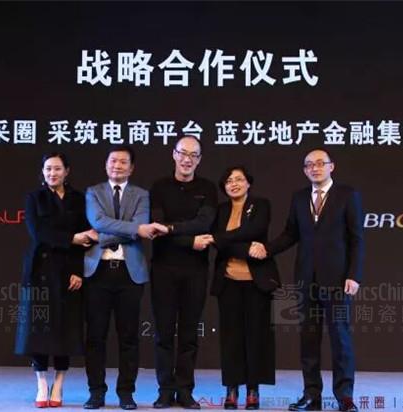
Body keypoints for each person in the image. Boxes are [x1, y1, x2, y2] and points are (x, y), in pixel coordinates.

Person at [263, 149, 364, 412]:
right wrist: (267, 249)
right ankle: (311, 395)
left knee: (340, 340)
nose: (315, 168)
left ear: (332, 166)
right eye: (309, 165)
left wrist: (354, 275)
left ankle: (345, 397)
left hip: (338, 281)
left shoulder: (347, 195)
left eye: (320, 163)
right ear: (305, 170)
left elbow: (357, 239)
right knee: (309, 340)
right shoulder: (299, 198)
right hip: (306, 280)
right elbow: (290, 234)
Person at [83, 145, 166, 410]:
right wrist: (133, 230)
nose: (117, 166)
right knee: (95, 337)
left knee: (128, 337)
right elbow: (98, 220)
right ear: (106, 164)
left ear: (131, 168)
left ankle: (126, 393)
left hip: (130, 273)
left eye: (122, 162)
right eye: (113, 161)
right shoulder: (93, 192)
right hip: (97, 272)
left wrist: (101, 236)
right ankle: (96, 392)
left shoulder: (141, 195)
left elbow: (136, 228)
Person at [14, 152, 95, 408]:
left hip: (68, 270)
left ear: (67, 171)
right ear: (42, 171)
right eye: (48, 168)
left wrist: (78, 270)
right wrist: (71, 238)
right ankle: (41, 383)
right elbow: (38, 232)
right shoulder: (34, 198)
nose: (52, 173)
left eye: (57, 168)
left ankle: (59, 383)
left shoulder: (79, 199)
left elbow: (86, 237)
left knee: (65, 329)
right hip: (40, 269)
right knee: (38, 329)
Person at [149, 136, 218, 409]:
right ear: (174, 154)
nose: (187, 159)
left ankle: (185, 390)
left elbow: (204, 222)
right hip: (163, 268)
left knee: (189, 334)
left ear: (199, 160)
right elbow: (157, 227)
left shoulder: (207, 188)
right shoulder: (159, 187)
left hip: (195, 270)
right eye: (183, 153)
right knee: (163, 333)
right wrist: (189, 240)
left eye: (194, 155)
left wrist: (172, 228)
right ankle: (165, 390)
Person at [203, 166, 280, 410]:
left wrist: (222, 238)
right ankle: (232, 389)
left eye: (239, 179)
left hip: (257, 282)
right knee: (231, 338)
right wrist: (246, 248)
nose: (234, 184)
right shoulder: (220, 210)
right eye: (229, 181)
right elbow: (219, 243)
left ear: (248, 183)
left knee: (256, 336)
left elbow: (255, 230)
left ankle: (253, 390)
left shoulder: (261, 205)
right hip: (228, 281)